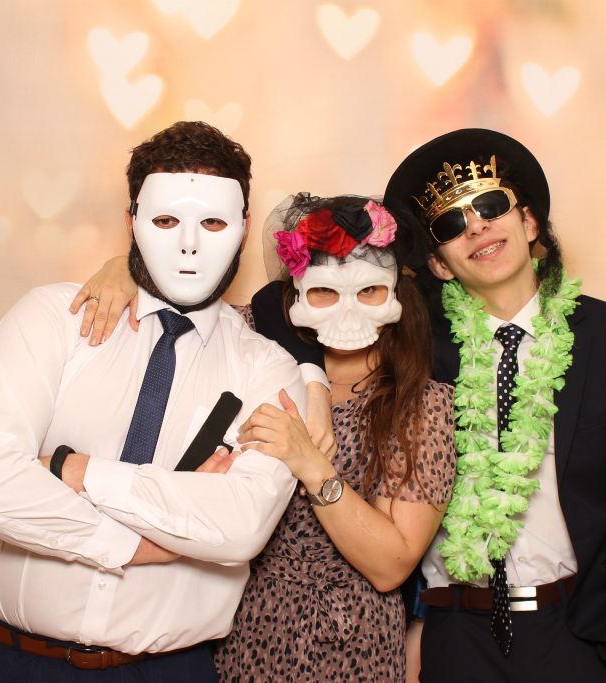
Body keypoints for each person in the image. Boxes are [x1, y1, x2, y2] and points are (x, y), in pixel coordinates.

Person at [0, 121, 311, 682]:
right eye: (165, 220)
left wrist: (72, 470)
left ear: (242, 230)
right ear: (131, 221)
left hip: (164, 672)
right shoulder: (52, 319)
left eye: (213, 222)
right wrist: (138, 541)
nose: (189, 244)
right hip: (4, 662)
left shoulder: (268, 370)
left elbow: (239, 526)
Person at [73, 193, 457, 681]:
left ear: (397, 294)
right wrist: (125, 271)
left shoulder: (422, 404)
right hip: (235, 623)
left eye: (369, 292)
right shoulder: (248, 340)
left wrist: (312, 465)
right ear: (295, 292)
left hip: (350, 641)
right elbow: (179, 303)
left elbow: (391, 566)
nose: (347, 311)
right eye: (323, 291)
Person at [379, 128, 606, 682]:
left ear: (528, 223)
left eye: (490, 205)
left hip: (581, 634)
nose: (476, 226)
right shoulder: (412, 354)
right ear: (438, 264)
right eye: (451, 224)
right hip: (454, 638)